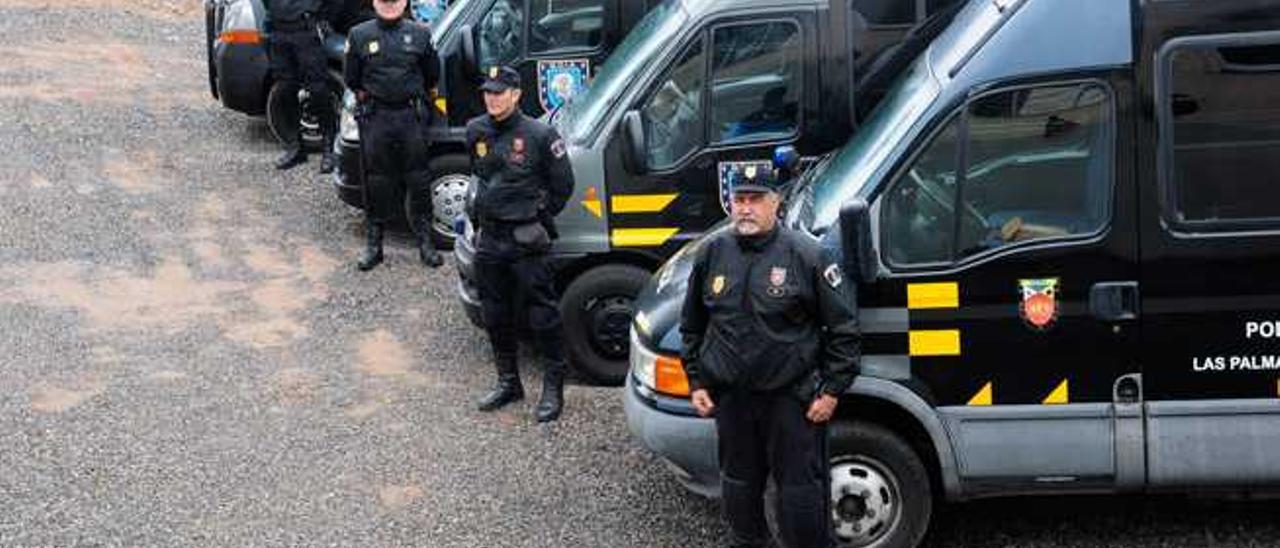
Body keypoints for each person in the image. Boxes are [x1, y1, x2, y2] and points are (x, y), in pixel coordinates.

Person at [680, 170, 861, 548]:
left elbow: (843, 331)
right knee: (738, 489)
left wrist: (831, 391)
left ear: (776, 203)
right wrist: (696, 380)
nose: (745, 208)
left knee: (800, 497)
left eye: (755, 199)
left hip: (791, 401)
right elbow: (692, 325)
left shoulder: (808, 254)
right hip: (732, 399)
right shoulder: (712, 253)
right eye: (739, 199)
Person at [467, 66, 575, 423]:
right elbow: (481, 176)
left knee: (543, 314)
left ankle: (553, 387)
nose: (492, 98)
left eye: (500, 92)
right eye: (488, 92)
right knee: (494, 313)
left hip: (526, 239)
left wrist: (535, 212)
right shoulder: (476, 130)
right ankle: (508, 382)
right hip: (491, 238)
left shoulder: (541, 135)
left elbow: (563, 186)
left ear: (516, 95)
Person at [344, 0, 443, 270]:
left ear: (405, 3)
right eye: (383, 0)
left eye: (394, 0)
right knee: (376, 180)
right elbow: (352, 78)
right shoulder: (359, 35)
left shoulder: (421, 34)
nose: (389, 5)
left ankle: (425, 243)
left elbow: (432, 75)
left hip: (410, 117)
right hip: (377, 117)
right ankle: (374, 246)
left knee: (419, 179)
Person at [268, 0, 340, 173]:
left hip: (306, 30)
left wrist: (324, 19)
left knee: (318, 90)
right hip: (279, 31)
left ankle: (329, 148)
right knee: (284, 89)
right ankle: (296, 147)